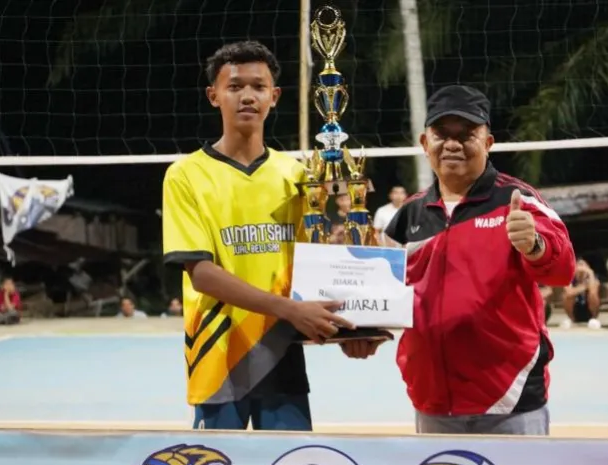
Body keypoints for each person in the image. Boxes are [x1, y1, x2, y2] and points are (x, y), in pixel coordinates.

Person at [161, 41, 381, 432]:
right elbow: (202, 274)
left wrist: (355, 327)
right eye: (235, 86)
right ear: (214, 95)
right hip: (219, 356)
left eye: (259, 86)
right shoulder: (185, 175)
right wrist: (290, 310)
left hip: (282, 351)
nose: (248, 96)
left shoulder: (298, 175)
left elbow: (318, 265)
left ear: (274, 96)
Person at [383, 85, 576, 436]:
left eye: (466, 134)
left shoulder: (518, 200)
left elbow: (563, 271)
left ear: (488, 143)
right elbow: (383, 294)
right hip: (432, 401)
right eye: (442, 134)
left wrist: (534, 245)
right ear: (425, 143)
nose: (452, 144)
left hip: (510, 401)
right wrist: (356, 332)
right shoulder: (408, 215)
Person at [560, 258, 602, 329]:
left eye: (583, 265)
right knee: (566, 296)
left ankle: (593, 319)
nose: (581, 267)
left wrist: (590, 273)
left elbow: (593, 291)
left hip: (589, 309)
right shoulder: (569, 278)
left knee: (593, 294)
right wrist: (584, 286)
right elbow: (569, 292)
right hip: (575, 309)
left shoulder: (594, 279)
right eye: (579, 265)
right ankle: (572, 320)